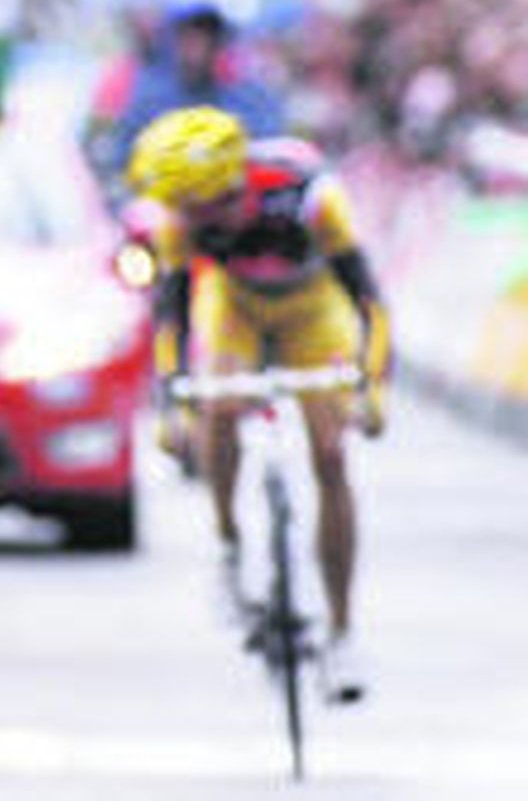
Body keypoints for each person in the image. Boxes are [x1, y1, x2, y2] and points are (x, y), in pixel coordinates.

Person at [126, 106, 390, 703]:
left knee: (330, 454)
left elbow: (370, 300)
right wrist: (174, 401)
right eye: (177, 208)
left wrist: (373, 386)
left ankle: (343, 633)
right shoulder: (177, 218)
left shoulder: (312, 197)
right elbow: (171, 316)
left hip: (313, 306)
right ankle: (227, 542)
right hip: (236, 304)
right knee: (218, 404)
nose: (186, 220)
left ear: (226, 186)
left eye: (196, 207)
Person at [99, 0, 289, 187]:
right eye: (187, 34)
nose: (195, 43)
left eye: (205, 35)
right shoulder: (149, 101)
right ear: (173, 41)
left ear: (217, 42)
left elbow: (271, 149)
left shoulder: (246, 98)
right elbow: (122, 162)